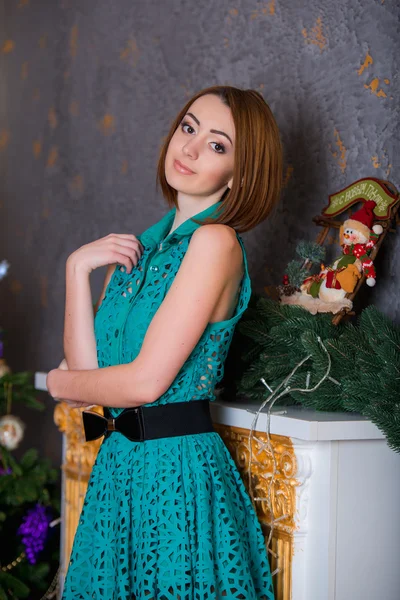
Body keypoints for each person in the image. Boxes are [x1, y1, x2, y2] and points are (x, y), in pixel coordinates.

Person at [47, 85, 283, 599]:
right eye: (189, 128)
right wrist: (76, 270)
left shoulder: (215, 242)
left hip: (176, 476)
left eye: (218, 145)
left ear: (239, 175)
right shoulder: (135, 253)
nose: (192, 148)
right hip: (118, 469)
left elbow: (143, 382)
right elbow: (91, 380)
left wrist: (56, 381)